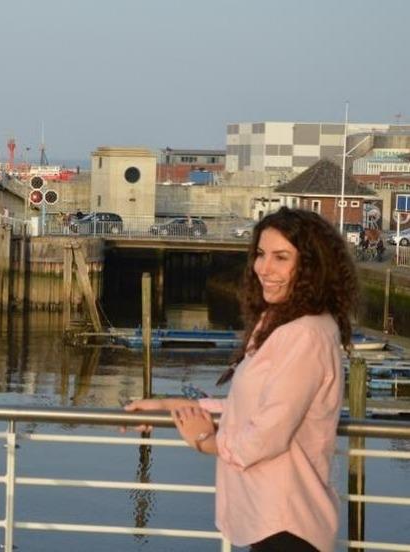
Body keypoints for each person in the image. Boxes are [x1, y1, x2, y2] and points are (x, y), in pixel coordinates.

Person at [126, 207, 356, 552]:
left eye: (281, 257)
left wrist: (205, 441)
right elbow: (250, 406)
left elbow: (268, 434)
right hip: (270, 516)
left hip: (288, 523)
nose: (264, 268)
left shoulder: (305, 334)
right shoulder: (278, 323)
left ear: (312, 267)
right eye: (261, 254)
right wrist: (168, 406)